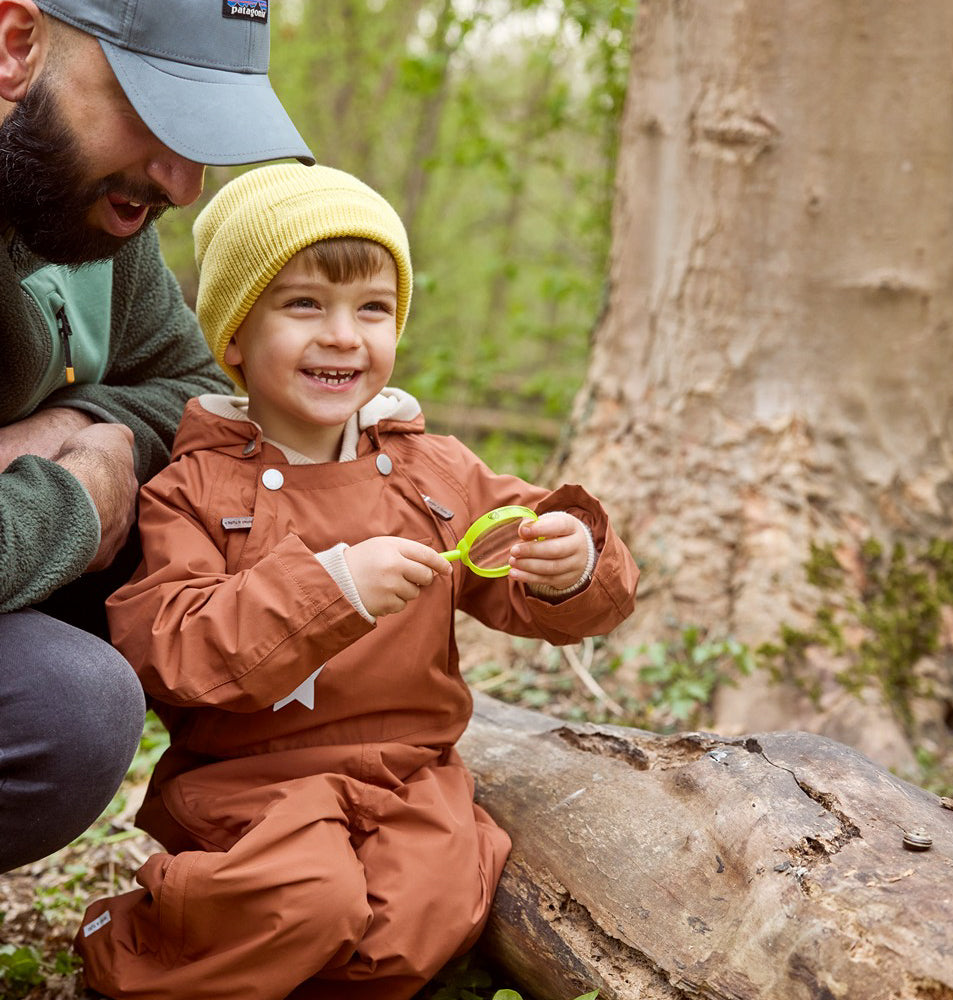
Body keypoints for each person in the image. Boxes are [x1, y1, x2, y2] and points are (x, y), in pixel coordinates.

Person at [74, 163, 640, 1000]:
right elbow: (172, 647)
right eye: (304, 305)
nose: (344, 335)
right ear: (233, 337)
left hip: (409, 776)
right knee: (306, 899)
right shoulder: (192, 489)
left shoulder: (429, 470)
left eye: (372, 308)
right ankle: (128, 949)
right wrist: (331, 586)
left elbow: (527, 562)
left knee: (419, 923)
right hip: (252, 783)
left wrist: (572, 563)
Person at [0, 0, 314, 875]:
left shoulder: (86, 210)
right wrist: (75, 499)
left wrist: (82, 426)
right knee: (64, 712)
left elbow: (200, 394)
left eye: (203, 132)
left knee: (250, 522)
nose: (182, 183)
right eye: (152, 111)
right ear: (17, 45)